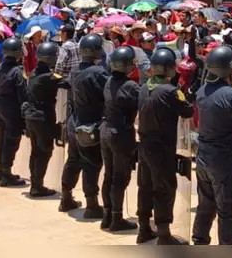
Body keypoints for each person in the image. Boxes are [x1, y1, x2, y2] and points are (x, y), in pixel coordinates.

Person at [191, 45, 232, 245]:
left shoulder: (203, 90)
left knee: (205, 206)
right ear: (229, 70)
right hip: (224, 163)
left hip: (203, 159)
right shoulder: (231, 95)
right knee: (229, 213)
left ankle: (199, 242)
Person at [136, 46, 193, 245]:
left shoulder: (144, 88)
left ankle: (143, 229)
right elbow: (188, 112)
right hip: (161, 149)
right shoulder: (171, 91)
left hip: (143, 147)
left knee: (145, 187)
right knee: (164, 189)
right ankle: (163, 234)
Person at [61, 33, 110, 219]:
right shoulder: (99, 73)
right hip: (91, 125)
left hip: (75, 123)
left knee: (73, 161)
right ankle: (92, 205)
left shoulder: (75, 71)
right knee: (91, 164)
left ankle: (66, 197)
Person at [100, 46, 141, 232]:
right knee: (120, 177)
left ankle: (107, 215)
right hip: (121, 134)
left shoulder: (108, 82)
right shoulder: (131, 86)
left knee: (108, 174)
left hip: (106, 130)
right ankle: (117, 218)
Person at [23, 41, 69, 197]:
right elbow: (68, 83)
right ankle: (37, 186)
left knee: (35, 152)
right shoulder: (50, 76)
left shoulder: (34, 73)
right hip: (43, 118)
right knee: (44, 151)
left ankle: (35, 183)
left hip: (31, 117)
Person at [0, 36, 27, 187]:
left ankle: (2, 170)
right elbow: (22, 94)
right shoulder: (18, 72)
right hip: (12, 109)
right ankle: (6, 173)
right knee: (11, 141)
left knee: (1, 139)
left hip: (0, 106)